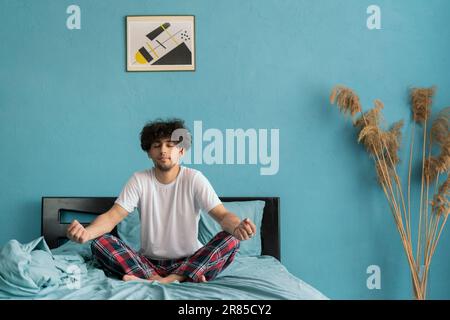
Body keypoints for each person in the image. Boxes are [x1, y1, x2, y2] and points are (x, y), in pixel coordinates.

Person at [66, 118, 256, 284]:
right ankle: (165, 278)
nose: (163, 150)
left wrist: (237, 226)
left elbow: (222, 215)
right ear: (149, 152)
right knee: (100, 242)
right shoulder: (139, 179)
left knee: (231, 239)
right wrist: (87, 232)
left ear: (181, 151)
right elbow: (112, 217)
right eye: (156, 145)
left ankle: (169, 279)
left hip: (191, 260)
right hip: (148, 263)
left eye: (170, 145)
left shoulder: (194, 178)